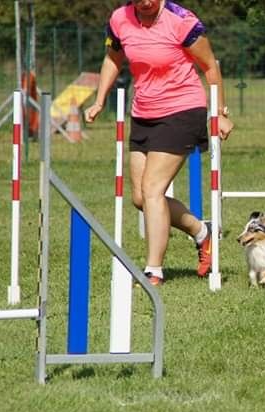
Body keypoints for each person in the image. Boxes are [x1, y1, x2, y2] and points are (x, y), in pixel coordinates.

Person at [85, 0, 234, 286]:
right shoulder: (120, 19)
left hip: (182, 110)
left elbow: (210, 66)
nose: (147, 3)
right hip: (143, 113)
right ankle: (203, 233)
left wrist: (220, 112)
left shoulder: (181, 20)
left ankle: (153, 270)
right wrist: (99, 100)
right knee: (140, 198)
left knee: (153, 190)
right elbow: (113, 59)